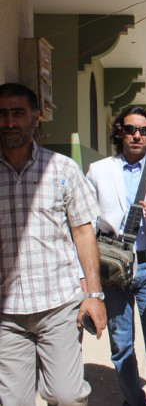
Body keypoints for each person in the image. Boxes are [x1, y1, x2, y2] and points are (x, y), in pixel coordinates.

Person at [0, 83, 107, 405]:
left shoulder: (62, 169)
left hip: (58, 305)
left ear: (35, 117)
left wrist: (94, 295)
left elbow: (83, 232)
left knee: (67, 395)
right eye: (2, 114)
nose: (9, 122)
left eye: (17, 113)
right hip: (6, 313)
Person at [86, 107, 146, 406]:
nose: (137, 135)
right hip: (113, 268)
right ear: (119, 132)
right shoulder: (99, 170)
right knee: (121, 346)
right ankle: (134, 401)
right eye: (130, 129)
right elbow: (87, 222)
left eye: (144, 130)